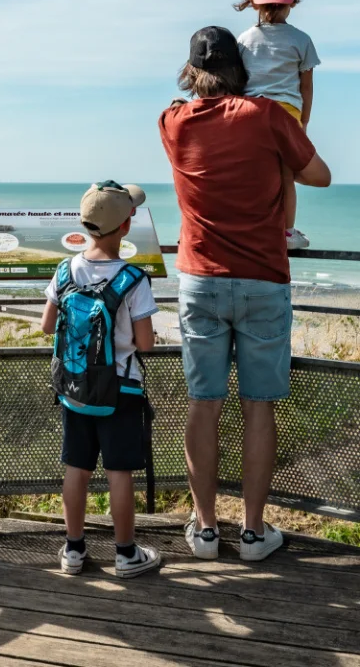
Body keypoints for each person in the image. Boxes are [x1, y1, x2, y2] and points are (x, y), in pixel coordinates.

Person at [159, 28, 330, 562]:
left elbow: (184, 105)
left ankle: (206, 530)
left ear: (190, 72)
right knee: (259, 409)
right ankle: (254, 533)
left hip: (200, 281)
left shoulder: (172, 121)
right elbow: (320, 177)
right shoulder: (268, 118)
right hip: (262, 277)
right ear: (244, 70)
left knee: (202, 406)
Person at [41, 182, 161, 578]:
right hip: (121, 390)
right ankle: (126, 555)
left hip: (74, 389)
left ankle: (73, 550)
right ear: (125, 227)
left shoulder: (64, 270)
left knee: (76, 467)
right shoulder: (133, 279)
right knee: (118, 472)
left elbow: (46, 326)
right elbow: (144, 345)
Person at [235, 0, 321, 249]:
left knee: (253, 175)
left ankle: (249, 227)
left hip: (250, 115)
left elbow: (238, 82)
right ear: (292, 2)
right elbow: (306, 87)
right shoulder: (301, 40)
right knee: (286, 177)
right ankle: (286, 234)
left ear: (255, 3)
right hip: (286, 115)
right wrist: (304, 122)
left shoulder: (244, 40)